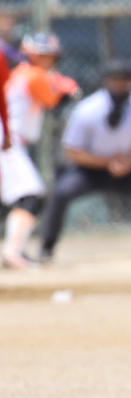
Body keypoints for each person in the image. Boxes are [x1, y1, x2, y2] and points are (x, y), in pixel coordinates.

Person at [39, 59, 131, 262]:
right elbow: (72, 151)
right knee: (61, 193)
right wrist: (107, 163)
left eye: (125, 81)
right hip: (90, 169)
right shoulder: (88, 109)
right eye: (115, 81)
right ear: (106, 82)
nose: (120, 86)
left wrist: (129, 162)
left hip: (126, 168)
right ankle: (47, 248)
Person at [0, 32, 78, 269]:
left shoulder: (23, 74)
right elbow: (53, 100)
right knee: (30, 195)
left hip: (11, 142)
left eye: (51, 56)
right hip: (8, 143)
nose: (49, 60)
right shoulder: (33, 75)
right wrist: (67, 89)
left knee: (25, 197)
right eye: (44, 55)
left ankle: (13, 252)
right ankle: (13, 254)